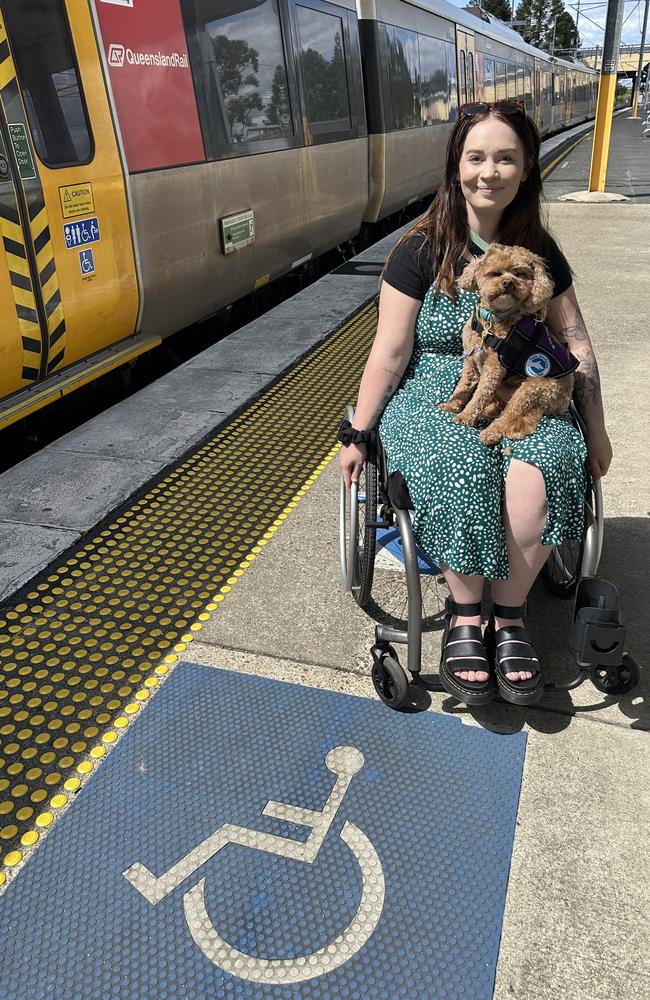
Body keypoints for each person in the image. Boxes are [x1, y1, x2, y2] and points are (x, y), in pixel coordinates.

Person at [339, 100, 612, 707]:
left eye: (506, 158)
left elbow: (575, 343)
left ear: (525, 170)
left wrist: (595, 429)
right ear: (456, 167)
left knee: (552, 458)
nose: (490, 171)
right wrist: (358, 432)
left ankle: (508, 616)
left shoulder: (540, 251)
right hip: (439, 385)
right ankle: (466, 613)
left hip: (526, 386)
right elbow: (390, 349)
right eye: (477, 157)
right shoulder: (420, 248)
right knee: (457, 460)